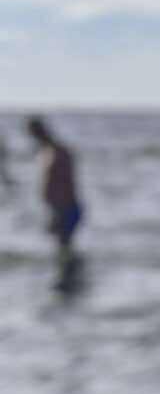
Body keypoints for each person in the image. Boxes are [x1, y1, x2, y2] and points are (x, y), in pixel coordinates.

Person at [26, 117, 83, 277]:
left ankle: (69, 281)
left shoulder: (57, 152)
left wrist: (58, 212)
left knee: (64, 249)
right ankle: (69, 280)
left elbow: (65, 184)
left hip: (65, 208)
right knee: (63, 249)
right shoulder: (51, 151)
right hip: (61, 208)